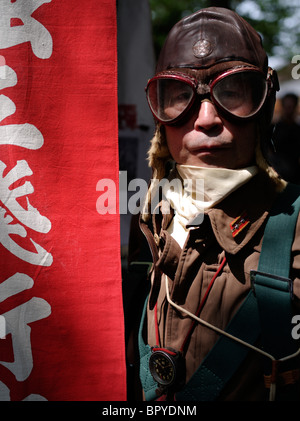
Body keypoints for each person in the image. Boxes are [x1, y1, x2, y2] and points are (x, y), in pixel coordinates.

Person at [125, 7, 300, 402]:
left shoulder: (295, 229)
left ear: (264, 104)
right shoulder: (150, 219)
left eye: (233, 91)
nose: (205, 118)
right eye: (179, 96)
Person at [265, 93, 300, 184]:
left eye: (291, 106)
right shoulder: (273, 128)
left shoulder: (297, 129)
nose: (289, 110)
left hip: (295, 174)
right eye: (287, 106)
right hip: (278, 174)